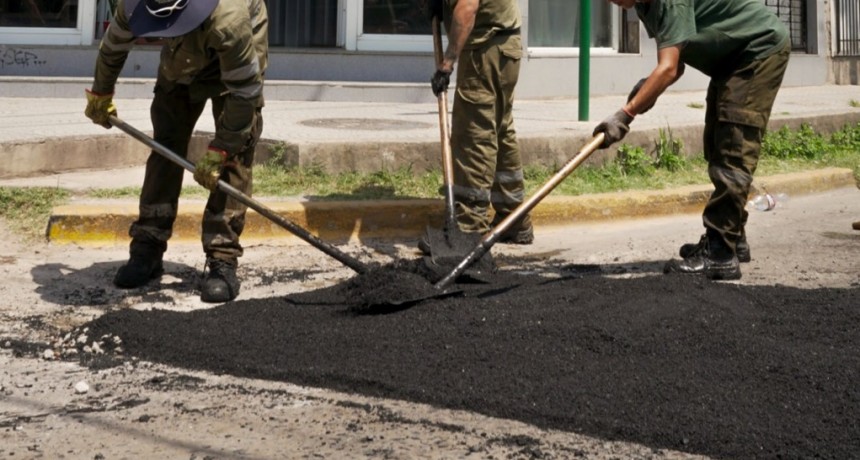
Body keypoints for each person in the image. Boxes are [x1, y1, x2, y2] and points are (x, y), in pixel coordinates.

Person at [84, 0, 268, 302]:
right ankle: (148, 244)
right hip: (182, 59)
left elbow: (245, 91)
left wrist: (221, 148)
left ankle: (222, 257)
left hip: (235, 56)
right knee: (165, 146)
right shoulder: (135, 3)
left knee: (235, 154)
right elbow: (113, 47)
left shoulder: (229, 19)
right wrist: (101, 92)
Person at [594, 0, 790, 280]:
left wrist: (625, 115)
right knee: (715, 141)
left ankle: (721, 253)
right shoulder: (645, 6)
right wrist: (648, 89)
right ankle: (733, 236)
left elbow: (669, 69)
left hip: (757, 51)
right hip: (730, 61)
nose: (611, 2)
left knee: (733, 143)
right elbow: (678, 57)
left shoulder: (669, 2)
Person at [422, 0, 533, 254]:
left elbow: (468, 8)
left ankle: (468, 227)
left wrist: (447, 64)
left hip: (486, 51)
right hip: (504, 47)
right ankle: (513, 219)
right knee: (499, 128)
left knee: (474, 135)